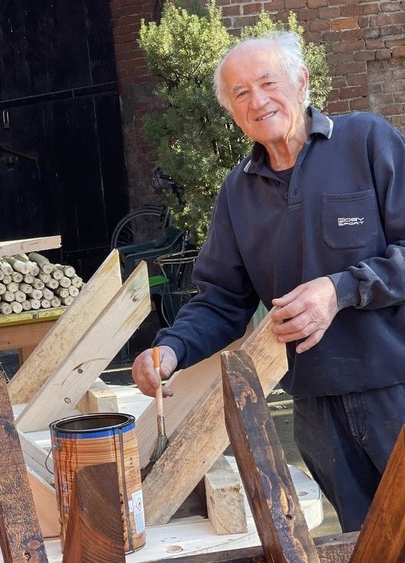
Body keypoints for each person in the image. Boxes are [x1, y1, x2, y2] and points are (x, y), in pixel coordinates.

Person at [132, 31, 405, 533]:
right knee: (362, 544)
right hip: (316, 410)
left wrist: (340, 289)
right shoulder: (237, 192)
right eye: (240, 93)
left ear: (301, 82)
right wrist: (170, 350)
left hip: (396, 388)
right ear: (232, 111)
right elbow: (220, 302)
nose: (257, 100)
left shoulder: (367, 141)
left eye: (267, 82)